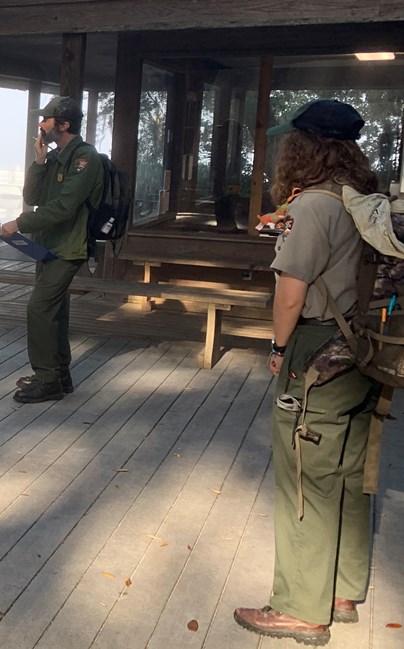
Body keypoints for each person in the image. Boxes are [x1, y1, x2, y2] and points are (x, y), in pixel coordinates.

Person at [233, 99, 381, 646]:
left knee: (303, 474)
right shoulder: (365, 200)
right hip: (365, 349)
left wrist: (278, 348)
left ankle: (299, 607)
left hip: (317, 348)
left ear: (304, 147)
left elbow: (290, 294)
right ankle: (341, 589)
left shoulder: (315, 206)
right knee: (347, 469)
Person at [0, 96, 104, 403]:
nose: (40, 124)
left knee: (39, 308)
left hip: (69, 247)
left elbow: (65, 207)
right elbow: (33, 195)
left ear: (64, 125)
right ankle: (59, 375)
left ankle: (47, 381)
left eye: (45, 120)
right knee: (54, 309)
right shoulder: (56, 157)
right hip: (47, 246)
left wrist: (20, 223)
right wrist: (39, 161)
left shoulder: (85, 159)